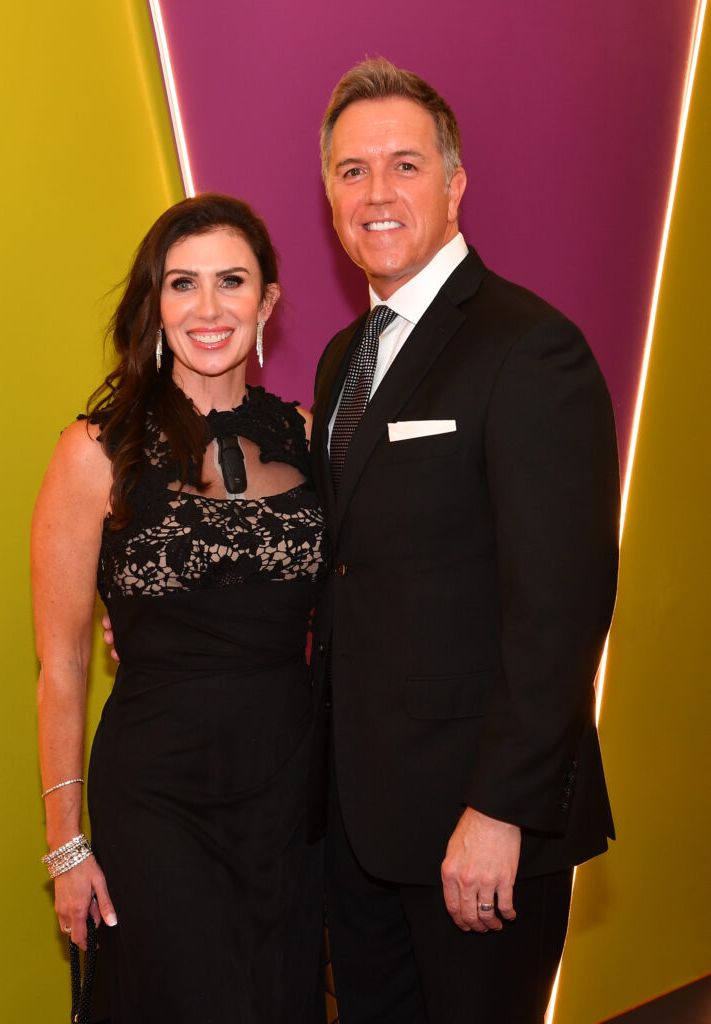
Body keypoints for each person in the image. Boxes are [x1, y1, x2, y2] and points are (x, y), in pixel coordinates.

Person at [307, 59, 620, 1023]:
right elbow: (348, 566)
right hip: (358, 827)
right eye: (351, 171)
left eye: (403, 165)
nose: (376, 193)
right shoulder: (341, 359)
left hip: (477, 833)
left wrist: (502, 810)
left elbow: (560, 606)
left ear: (453, 186)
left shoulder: (529, 346)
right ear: (329, 198)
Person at [32, 193, 326, 1023]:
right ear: (155, 304)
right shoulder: (94, 451)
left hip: (288, 787)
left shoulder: (310, 438)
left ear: (266, 301)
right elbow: (62, 662)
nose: (207, 308)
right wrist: (66, 847)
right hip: (158, 792)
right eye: (182, 283)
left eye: (231, 281)